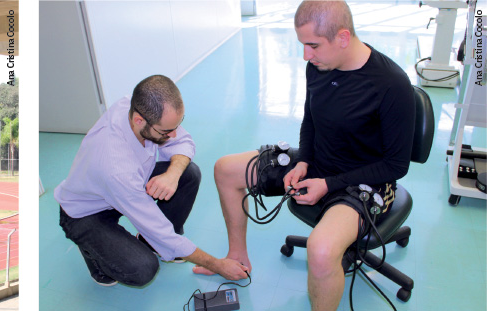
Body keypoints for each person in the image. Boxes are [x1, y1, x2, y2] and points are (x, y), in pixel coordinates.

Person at [203, 1, 416, 310]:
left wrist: (328, 184)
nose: (306, 55)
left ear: (343, 38)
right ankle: (237, 258)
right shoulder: (318, 65)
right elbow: (311, 120)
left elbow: (396, 165)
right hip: (318, 161)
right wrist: (303, 161)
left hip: (365, 180)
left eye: (313, 45)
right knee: (225, 169)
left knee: (320, 249)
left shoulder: (391, 85)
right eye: (303, 45)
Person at [55, 75, 250, 287]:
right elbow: (160, 231)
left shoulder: (140, 107)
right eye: (166, 131)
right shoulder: (116, 166)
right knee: (142, 268)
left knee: (188, 173)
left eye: (177, 125)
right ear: (139, 120)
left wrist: (172, 175)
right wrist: (218, 265)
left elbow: (184, 142)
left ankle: (151, 244)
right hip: (86, 213)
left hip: (126, 185)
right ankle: (92, 251)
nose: (174, 134)